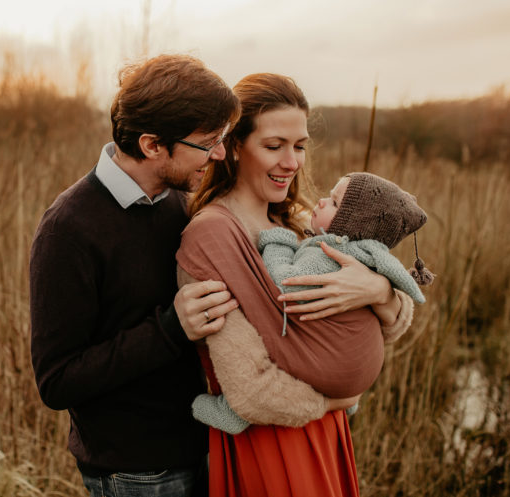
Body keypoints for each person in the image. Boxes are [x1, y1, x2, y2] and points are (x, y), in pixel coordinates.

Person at [176, 73, 417, 496]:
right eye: (274, 146)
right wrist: (333, 402)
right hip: (269, 444)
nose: (293, 162)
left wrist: (377, 292)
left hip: (325, 435)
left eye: (300, 146)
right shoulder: (212, 235)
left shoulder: (301, 218)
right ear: (234, 147)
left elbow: (394, 326)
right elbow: (250, 389)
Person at [29, 54, 243, 497]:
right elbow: (57, 380)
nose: (220, 154)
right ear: (152, 145)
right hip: (135, 473)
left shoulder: (178, 202)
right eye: (208, 142)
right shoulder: (67, 230)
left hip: (203, 447)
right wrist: (171, 328)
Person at [190, 172, 433, 435]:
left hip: (328, 378)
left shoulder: (326, 253)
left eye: (335, 203)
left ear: (353, 225)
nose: (321, 202)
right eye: (274, 145)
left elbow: (284, 285)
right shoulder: (363, 253)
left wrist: (278, 244)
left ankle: (234, 411)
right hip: (356, 371)